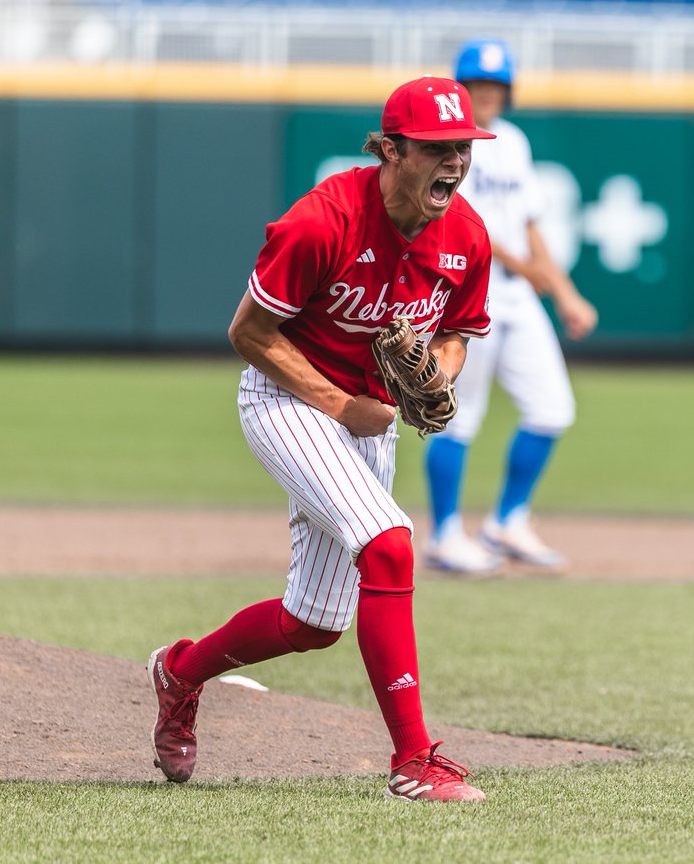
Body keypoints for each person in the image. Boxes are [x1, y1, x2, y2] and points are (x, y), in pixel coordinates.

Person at [148, 76, 495, 802]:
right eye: (436, 148)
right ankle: (414, 762)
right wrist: (339, 403)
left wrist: (438, 369)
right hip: (288, 400)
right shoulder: (322, 221)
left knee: (313, 623)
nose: (455, 161)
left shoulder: (466, 234)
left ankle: (180, 672)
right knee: (390, 543)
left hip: (370, 417)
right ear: (390, 150)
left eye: (462, 146)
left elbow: (459, 332)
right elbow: (249, 332)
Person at [424, 38, 599, 575]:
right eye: (478, 84)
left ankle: (507, 520)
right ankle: (445, 534)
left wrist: (564, 292)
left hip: (518, 295)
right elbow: (463, 221)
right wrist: (526, 267)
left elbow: (529, 224)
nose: (488, 93)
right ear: (461, 88)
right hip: (468, 290)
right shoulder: (449, 143)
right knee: (458, 416)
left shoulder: (514, 141)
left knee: (552, 408)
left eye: (496, 85)